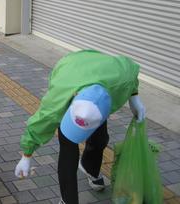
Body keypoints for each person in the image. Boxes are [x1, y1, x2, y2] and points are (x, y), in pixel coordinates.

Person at [14, 50, 146, 204]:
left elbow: (131, 72)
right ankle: (67, 200)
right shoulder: (59, 96)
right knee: (68, 146)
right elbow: (41, 121)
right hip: (71, 67)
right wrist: (27, 155)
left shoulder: (122, 79)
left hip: (100, 75)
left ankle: (89, 167)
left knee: (101, 139)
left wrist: (134, 96)